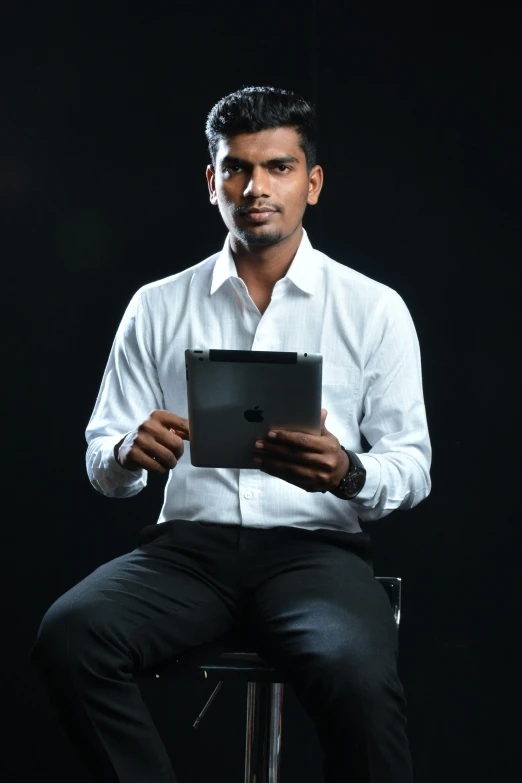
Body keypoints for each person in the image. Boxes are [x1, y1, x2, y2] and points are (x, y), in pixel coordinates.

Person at [31, 86, 432, 783]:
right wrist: (129, 454)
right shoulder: (157, 305)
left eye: (278, 167)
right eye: (238, 168)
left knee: (358, 675)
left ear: (313, 182)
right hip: (186, 555)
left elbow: (413, 466)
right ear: (213, 180)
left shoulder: (374, 309)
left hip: (316, 553)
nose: (256, 187)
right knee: (69, 636)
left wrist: (346, 470)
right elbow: (103, 457)